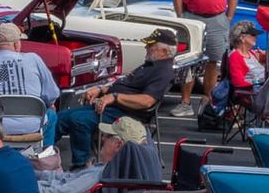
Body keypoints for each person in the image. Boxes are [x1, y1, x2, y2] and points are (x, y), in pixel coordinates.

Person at [57, 29, 178, 169]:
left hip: (127, 114)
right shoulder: (151, 65)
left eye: (150, 46)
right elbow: (126, 84)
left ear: (164, 51)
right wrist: (101, 90)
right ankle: (45, 155)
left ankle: (81, 165)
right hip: (113, 106)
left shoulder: (163, 71)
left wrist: (114, 97)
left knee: (78, 120)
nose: (146, 48)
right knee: (61, 117)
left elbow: (147, 101)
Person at [169, 0, 237, 118]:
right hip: (192, 17)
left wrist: (228, 17)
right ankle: (185, 102)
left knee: (213, 61)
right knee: (189, 61)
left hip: (216, 18)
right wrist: (181, 16)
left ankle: (208, 101)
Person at [36, 116, 162, 193]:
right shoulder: (111, 171)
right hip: (45, 189)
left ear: (118, 145)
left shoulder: (101, 176)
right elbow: (66, 178)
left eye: (108, 136)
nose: (102, 138)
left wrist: (22, 186)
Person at [0, 22, 60, 144]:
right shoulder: (34, 59)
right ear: (16, 44)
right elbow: (52, 94)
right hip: (32, 125)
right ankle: (45, 157)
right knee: (51, 114)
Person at [207, 21, 264, 119]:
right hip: (251, 95)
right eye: (253, 35)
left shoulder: (252, 54)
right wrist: (259, 85)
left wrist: (264, 58)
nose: (256, 37)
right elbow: (238, 83)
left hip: (261, 91)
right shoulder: (235, 57)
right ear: (242, 38)